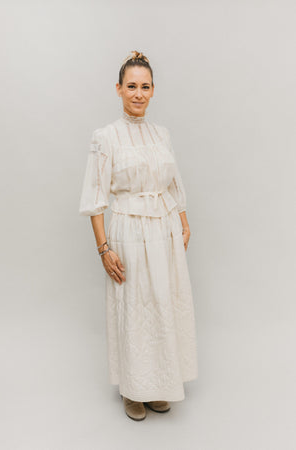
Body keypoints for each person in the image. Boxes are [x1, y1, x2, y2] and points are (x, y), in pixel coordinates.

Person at [79, 50, 198, 421]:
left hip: (163, 228)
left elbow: (174, 182)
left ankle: (159, 383)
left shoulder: (161, 134)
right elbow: (95, 197)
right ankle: (133, 388)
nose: (138, 93)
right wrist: (103, 248)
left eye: (145, 86)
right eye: (131, 86)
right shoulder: (105, 137)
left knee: (162, 303)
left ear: (153, 90)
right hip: (128, 229)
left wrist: (183, 218)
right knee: (134, 308)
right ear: (118, 89)